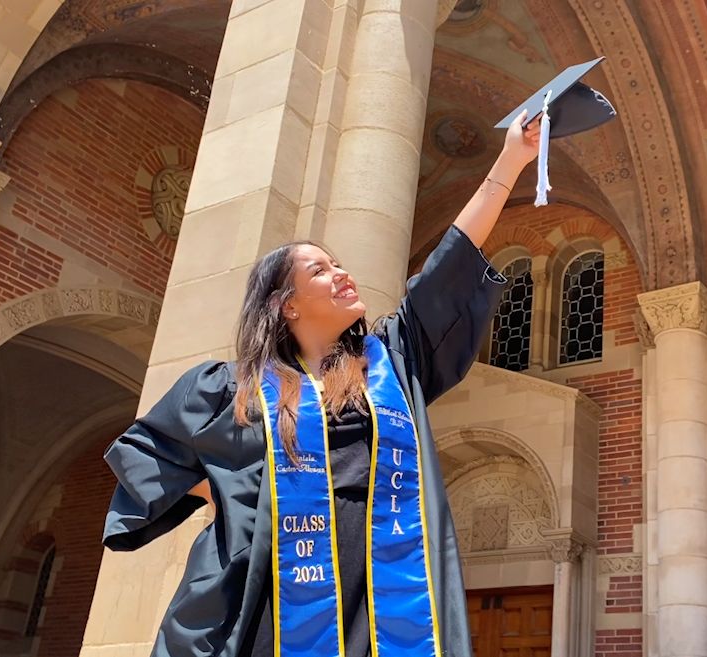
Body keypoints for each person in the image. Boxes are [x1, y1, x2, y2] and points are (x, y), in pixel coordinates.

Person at [101, 110, 541, 657]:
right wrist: (231, 491)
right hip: (274, 585)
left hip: (384, 582)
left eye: (338, 264)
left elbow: (449, 267)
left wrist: (512, 158)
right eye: (320, 270)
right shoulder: (230, 388)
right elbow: (140, 456)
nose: (342, 273)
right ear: (286, 306)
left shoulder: (391, 361)